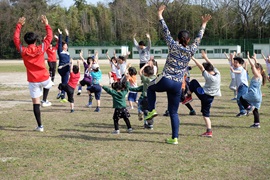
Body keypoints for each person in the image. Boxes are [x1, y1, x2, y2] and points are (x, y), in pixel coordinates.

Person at [145, 5, 212, 144]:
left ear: (178, 38)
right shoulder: (191, 50)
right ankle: (175, 138)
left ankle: (151, 110)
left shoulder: (173, 45)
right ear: (188, 40)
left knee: (150, 88)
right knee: (174, 112)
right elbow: (199, 38)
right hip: (177, 84)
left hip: (166, 79)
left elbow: (165, 31)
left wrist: (160, 15)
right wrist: (203, 24)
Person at [13, 15, 53, 132]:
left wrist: (19, 25)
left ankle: (40, 126)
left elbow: (16, 39)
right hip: (44, 77)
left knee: (36, 104)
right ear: (36, 41)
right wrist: (46, 24)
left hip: (33, 80)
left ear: (26, 41)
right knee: (49, 84)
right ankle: (45, 99)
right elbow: (49, 38)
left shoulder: (23, 50)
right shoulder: (41, 49)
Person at [183, 51, 221, 137]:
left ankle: (188, 97)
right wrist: (205, 57)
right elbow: (211, 65)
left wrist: (192, 58)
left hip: (204, 95)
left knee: (193, 82)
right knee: (205, 115)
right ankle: (209, 131)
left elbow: (201, 67)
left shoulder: (209, 76)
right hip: (210, 98)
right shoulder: (218, 73)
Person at [240, 52, 266, 128]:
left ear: (259, 70)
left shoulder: (258, 75)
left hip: (253, 94)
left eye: (254, 69)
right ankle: (257, 124)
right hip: (258, 96)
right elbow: (257, 66)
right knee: (255, 110)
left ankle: (248, 107)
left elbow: (254, 66)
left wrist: (248, 57)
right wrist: (255, 59)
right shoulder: (259, 76)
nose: (252, 70)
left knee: (241, 98)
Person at [57, 28, 70, 103]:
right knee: (69, 65)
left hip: (66, 70)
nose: (66, 46)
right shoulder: (60, 51)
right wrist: (60, 34)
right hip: (61, 68)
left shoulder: (67, 52)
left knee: (65, 82)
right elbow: (59, 44)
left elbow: (67, 42)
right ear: (63, 46)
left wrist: (67, 34)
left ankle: (61, 95)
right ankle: (62, 94)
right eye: (65, 45)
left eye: (66, 45)